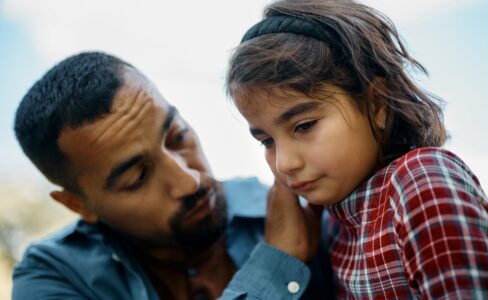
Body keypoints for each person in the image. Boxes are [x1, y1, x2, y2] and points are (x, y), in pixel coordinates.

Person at [226, 0, 488, 298]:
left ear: (377, 103)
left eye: (304, 126)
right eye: (267, 141)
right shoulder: (330, 224)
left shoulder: (421, 185)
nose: (284, 164)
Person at [12, 51, 335, 299]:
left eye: (177, 138)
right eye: (137, 177)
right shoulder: (52, 276)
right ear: (80, 205)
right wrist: (277, 263)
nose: (189, 181)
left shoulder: (307, 209)